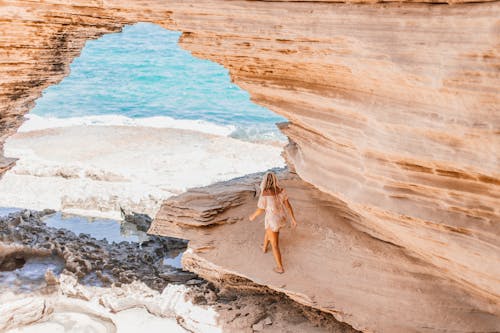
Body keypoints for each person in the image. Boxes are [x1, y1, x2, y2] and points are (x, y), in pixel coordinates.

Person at [248, 171, 297, 273]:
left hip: (273, 219)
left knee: (274, 245)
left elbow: (261, 209)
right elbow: (288, 206)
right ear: (275, 180)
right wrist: (292, 218)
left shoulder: (264, 194)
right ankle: (264, 247)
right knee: (269, 231)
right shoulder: (281, 191)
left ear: (265, 181)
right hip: (281, 217)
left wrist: (253, 216)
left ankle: (280, 267)